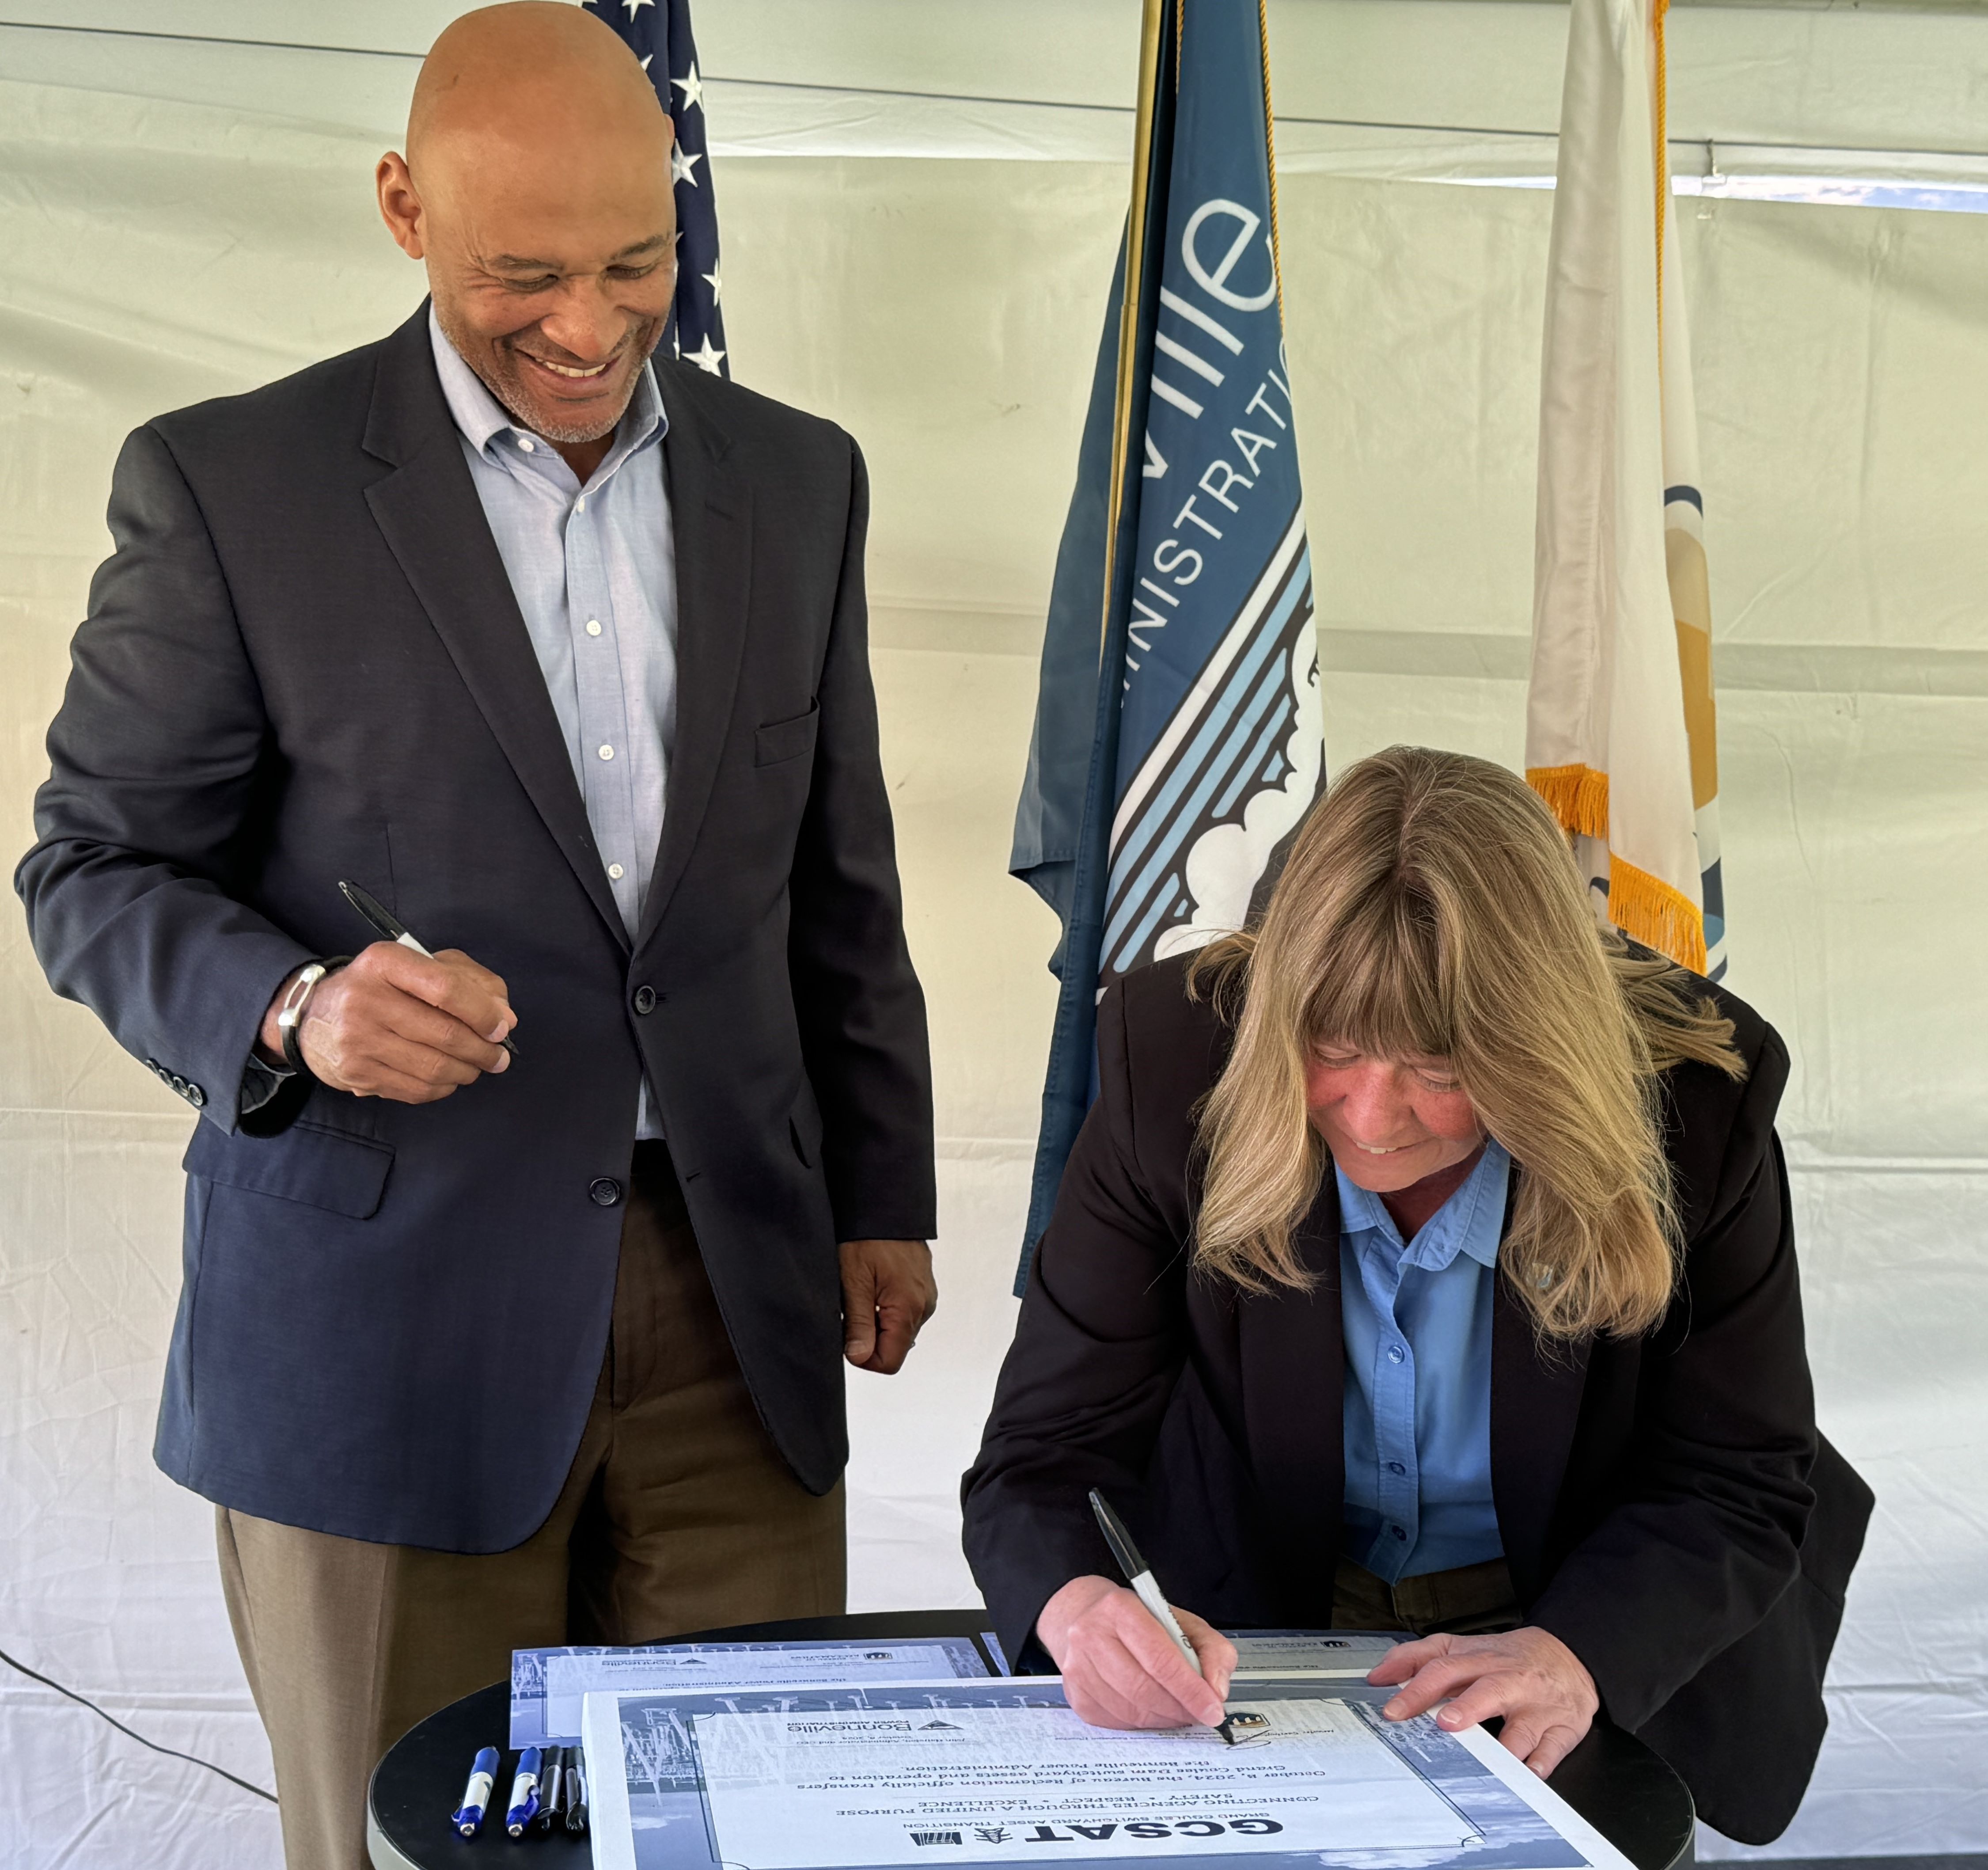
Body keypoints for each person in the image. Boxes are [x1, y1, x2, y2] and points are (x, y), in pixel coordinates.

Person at [15, 8, 936, 1867]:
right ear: (401, 211)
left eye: (635, 266)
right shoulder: (227, 488)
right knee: (407, 1840)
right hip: (380, 1333)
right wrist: (293, 1006)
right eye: (524, 277)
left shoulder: (801, 478)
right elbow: (91, 866)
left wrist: (882, 1189)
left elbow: (835, 872)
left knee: (751, 1832)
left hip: (737, 1311)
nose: (589, 330)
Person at [963, 745, 1870, 1846]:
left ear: (1537, 1047)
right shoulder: (1174, 1055)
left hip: (1570, 1616)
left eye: (1442, 1069)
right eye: (1331, 1049)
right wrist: (1079, 1606)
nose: (1370, 1117)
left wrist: (1570, 1654)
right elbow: (1048, 1449)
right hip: (1256, 1619)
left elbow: (1737, 1475)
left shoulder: (1696, 1100)